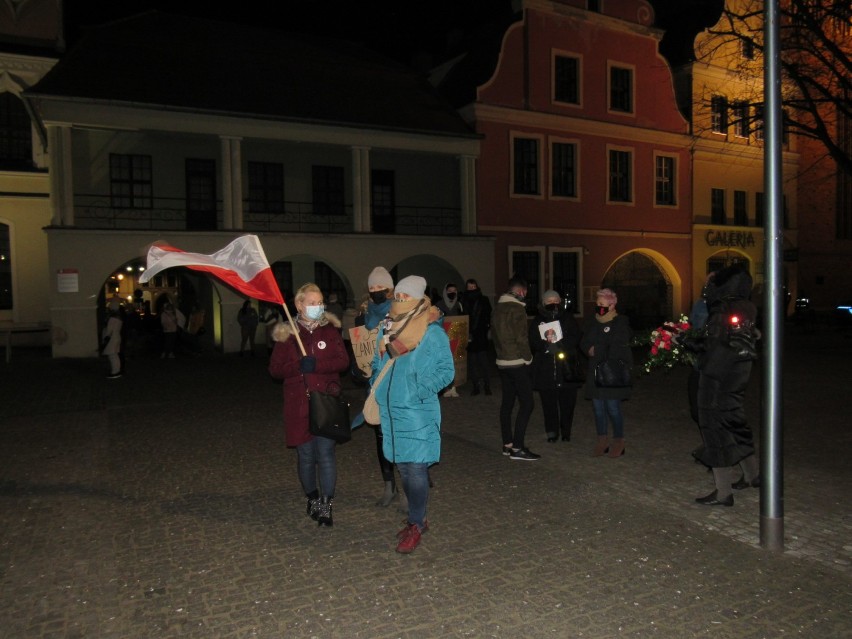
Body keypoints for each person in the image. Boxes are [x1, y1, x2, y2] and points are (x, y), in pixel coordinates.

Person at [370, 275, 455, 553]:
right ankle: (417, 518)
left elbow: (446, 371)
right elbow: (377, 362)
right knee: (404, 468)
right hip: (391, 411)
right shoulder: (387, 328)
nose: (401, 301)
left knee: (416, 469)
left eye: (407, 296)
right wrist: (376, 386)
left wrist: (418, 390)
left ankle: (416, 523)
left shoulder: (431, 332)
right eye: (399, 296)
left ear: (419, 299)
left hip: (417, 411)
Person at [268, 283, 349, 526]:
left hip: (325, 402)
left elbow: (343, 361)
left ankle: (326, 502)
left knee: (325, 454)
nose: (318, 307)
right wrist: (296, 367)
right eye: (312, 303)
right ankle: (312, 497)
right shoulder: (287, 334)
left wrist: (318, 366)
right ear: (299, 305)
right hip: (298, 405)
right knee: (306, 455)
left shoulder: (330, 331)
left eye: (320, 301)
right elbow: (274, 370)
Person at [686, 264, 761, 507]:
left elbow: (714, 346)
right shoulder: (747, 306)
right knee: (735, 422)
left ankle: (723, 492)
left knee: (715, 431)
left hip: (717, 379)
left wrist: (686, 342)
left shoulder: (722, 308)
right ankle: (753, 475)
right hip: (739, 374)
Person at [355, 266, 403, 508]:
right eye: (372, 288)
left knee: (401, 433)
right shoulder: (362, 317)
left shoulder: (399, 313)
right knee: (381, 435)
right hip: (375, 384)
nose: (376, 291)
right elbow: (358, 348)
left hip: (396, 380)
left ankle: (409, 482)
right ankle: (389, 484)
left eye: (380, 287)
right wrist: (359, 367)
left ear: (390, 289)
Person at [580, 288, 633, 458]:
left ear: (611, 305)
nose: (599, 308)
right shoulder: (593, 322)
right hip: (595, 371)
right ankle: (602, 441)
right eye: (598, 304)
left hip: (612, 372)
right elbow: (584, 340)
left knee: (613, 408)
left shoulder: (620, 322)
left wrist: (599, 348)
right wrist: (588, 348)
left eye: (602, 304)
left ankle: (619, 441)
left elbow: (617, 345)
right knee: (598, 408)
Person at [491, 276, 540, 461]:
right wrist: (528, 358)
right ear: (521, 292)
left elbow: (494, 335)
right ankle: (518, 448)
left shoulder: (497, 308)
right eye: (525, 293)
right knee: (527, 403)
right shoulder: (517, 309)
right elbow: (521, 338)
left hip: (502, 361)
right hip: (516, 362)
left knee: (508, 403)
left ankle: (507, 444)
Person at [529, 290, 582, 443]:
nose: (553, 304)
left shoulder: (568, 318)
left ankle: (566, 431)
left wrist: (561, 344)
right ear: (543, 303)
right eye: (549, 301)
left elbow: (576, 336)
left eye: (555, 301)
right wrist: (545, 345)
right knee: (548, 403)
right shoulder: (538, 320)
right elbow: (532, 340)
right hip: (546, 369)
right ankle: (552, 432)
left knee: (568, 403)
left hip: (566, 368)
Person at [462, 278, 492, 396]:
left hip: (480, 334)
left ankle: (487, 385)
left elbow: (488, 314)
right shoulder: (464, 300)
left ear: (476, 287)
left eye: (473, 287)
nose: (471, 289)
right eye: (469, 287)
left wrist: (485, 327)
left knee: (483, 361)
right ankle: (476, 385)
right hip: (470, 335)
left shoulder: (484, 300)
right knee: (473, 362)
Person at [435, 282, 463, 397]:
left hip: (455, 338)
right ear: (446, 292)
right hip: (443, 337)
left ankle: (454, 386)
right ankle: (445, 388)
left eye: (454, 291)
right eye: (450, 291)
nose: (452, 293)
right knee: (444, 362)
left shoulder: (459, 305)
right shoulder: (439, 304)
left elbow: (463, 320)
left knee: (455, 361)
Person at [101, 298, 123, 379]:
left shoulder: (112, 318)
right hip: (116, 337)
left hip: (112, 339)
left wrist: (105, 338)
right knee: (115, 355)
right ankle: (117, 371)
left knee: (112, 355)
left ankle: (115, 372)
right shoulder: (118, 317)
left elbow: (109, 330)